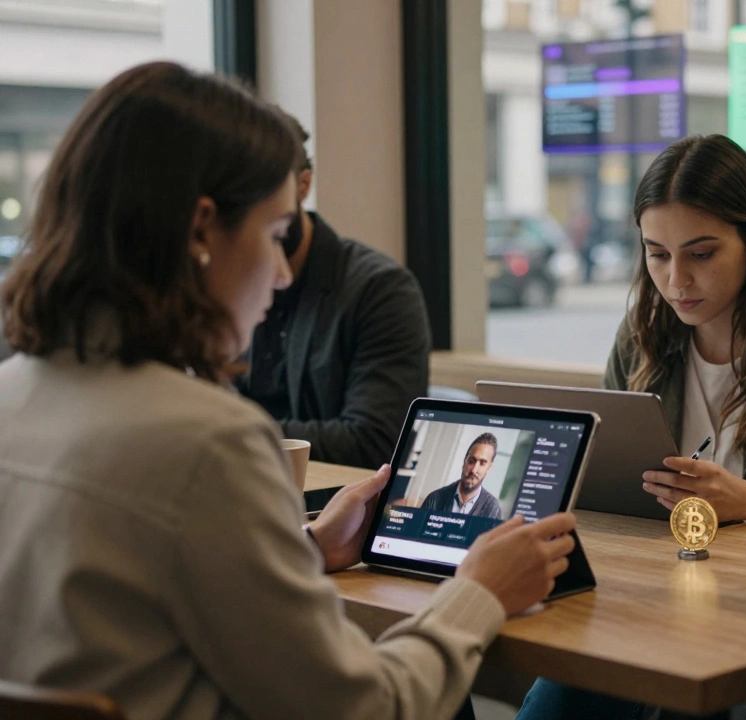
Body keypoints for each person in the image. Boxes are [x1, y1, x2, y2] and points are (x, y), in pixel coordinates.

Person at [0, 61, 578, 720]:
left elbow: (140, 589)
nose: (279, 275)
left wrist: (304, 550)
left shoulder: (12, 396)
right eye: (275, 236)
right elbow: (367, 711)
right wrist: (479, 591)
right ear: (199, 230)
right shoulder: (207, 442)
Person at [518, 134, 746, 719]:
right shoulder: (642, 337)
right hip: (648, 612)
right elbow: (601, 494)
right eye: (657, 254)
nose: (676, 279)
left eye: (702, 253)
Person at [234, 114, 430, 470]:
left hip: (331, 505)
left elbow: (375, 441)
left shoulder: (379, 290)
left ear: (303, 186)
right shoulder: (227, 282)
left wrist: (235, 430)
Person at [420, 433, 504, 518]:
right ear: (465, 460)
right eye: (471, 461)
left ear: (489, 467)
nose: (474, 470)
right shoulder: (434, 499)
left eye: (482, 463)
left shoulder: (493, 509)